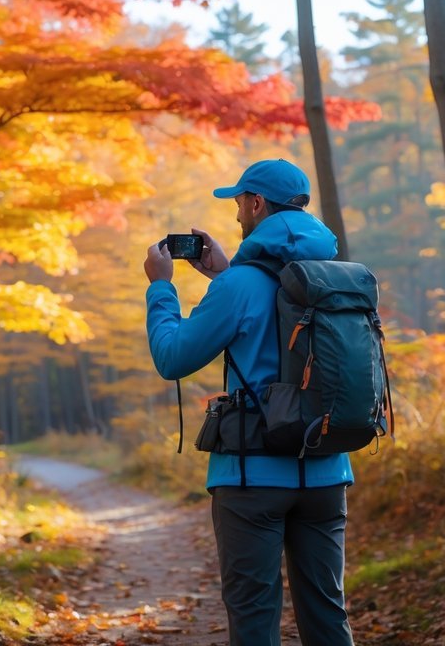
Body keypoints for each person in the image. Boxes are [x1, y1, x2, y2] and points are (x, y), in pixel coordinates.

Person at [143, 158, 356, 646]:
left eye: (240, 201)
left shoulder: (238, 287)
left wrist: (161, 287)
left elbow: (172, 358)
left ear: (257, 203)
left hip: (250, 476)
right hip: (327, 471)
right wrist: (225, 270)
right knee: (328, 613)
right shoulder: (335, 275)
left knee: (255, 618)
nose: (237, 213)